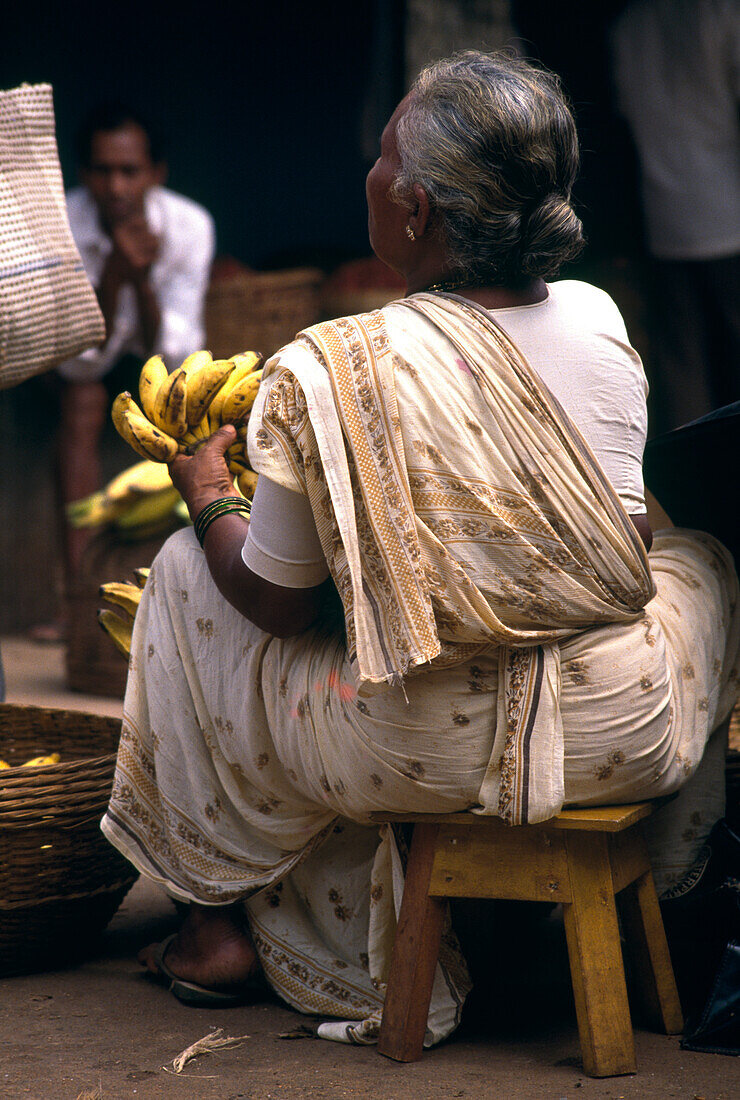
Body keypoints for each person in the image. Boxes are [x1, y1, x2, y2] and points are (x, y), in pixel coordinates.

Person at [101, 52, 740, 1047]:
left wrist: (209, 494)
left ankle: (214, 921)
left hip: (411, 749)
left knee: (190, 568)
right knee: (696, 560)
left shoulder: (327, 371)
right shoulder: (597, 318)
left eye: (382, 153)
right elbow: (626, 542)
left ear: (413, 210)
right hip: (620, 730)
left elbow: (272, 604)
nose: (368, 168)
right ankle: (673, 862)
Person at [54, 105, 215, 594]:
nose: (117, 188)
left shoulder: (188, 226)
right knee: (83, 402)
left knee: (185, 415)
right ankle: (82, 591)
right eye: (103, 171)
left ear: (156, 173)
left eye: (130, 171)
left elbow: (176, 353)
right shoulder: (61, 223)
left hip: (146, 357)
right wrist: (113, 278)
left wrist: (141, 283)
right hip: (73, 361)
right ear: (84, 174)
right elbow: (77, 361)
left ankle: (174, 592)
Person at [610, 0, 740, 433]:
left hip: (665, 215)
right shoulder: (721, 12)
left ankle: (692, 481)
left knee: (682, 364)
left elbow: (627, 111)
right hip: (728, 210)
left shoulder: (632, 25)